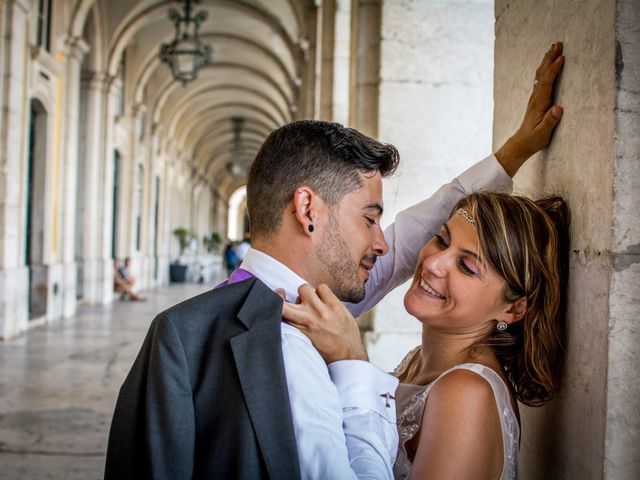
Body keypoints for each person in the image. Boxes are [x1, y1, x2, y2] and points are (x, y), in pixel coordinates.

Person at [104, 43, 564, 480]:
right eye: (370, 219)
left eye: (467, 264)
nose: (382, 244)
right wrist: (353, 366)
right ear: (308, 211)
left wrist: (514, 153)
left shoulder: (209, 324)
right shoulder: (308, 320)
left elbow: (414, 234)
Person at [283, 192, 569, 480]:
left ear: (513, 308)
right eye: (442, 240)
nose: (433, 263)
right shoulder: (419, 359)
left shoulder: (467, 392)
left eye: (467, 267)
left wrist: (351, 360)